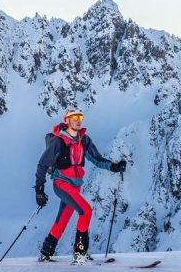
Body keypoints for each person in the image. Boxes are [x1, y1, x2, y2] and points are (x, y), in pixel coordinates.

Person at [35, 108, 126, 264]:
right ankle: (80, 252)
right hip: (61, 183)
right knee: (85, 211)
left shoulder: (84, 140)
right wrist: (39, 189)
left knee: (63, 218)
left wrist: (114, 167)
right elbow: (43, 164)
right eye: (74, 117)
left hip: (75, 186)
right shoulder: (58, 141)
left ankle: (46, 252)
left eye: (80, 117)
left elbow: (97, 159)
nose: (78, 120)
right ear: (67, 120)